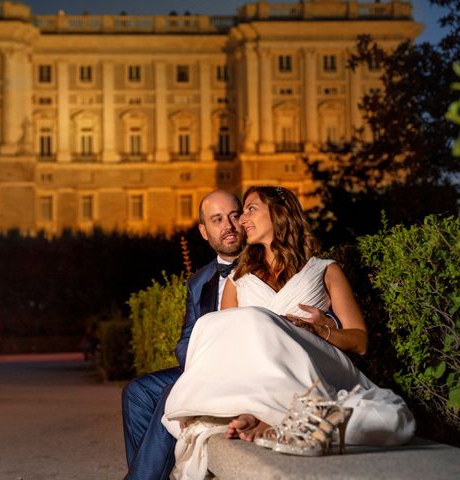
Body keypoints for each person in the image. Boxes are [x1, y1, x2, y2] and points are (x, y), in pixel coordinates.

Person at [162, 186, 415, 479]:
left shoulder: (324, 270)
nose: (241, 219)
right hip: (259, 377)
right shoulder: (237, 280)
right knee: (212, 325)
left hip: (316, 366)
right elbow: (227, 349)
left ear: (279, 213)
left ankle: (274, 412)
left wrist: (320, 329)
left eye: (250, 209)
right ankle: (261, 412)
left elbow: (360, 342)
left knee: (257, 321)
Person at [121, 190, 246, 480]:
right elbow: (186, 338)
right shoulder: (198, 280)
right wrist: (196, 363)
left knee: (171, 394)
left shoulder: (265, 265)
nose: (227, 225)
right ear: (204, 231)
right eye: (217, 220)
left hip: (241, 370)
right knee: (136, 393)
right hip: (200, 367)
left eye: (234, 216)